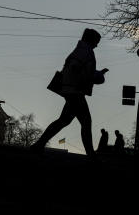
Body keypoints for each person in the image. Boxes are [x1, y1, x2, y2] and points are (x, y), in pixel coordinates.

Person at [31, 28, 109, 156]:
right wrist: (97, 76)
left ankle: (39, 144)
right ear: (90, 40)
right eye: (96, 41)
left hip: (71, 91)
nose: (97, 45)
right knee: (86, 121)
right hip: (75, 92)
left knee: (63, 121)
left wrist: (97, 74)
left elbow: (80, 70)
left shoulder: (81, 51)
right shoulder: (84, 52)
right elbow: (77, 71)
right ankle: (91, 154)